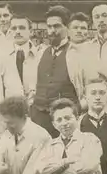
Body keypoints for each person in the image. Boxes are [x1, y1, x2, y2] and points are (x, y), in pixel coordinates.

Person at [31, 6, 78, 138]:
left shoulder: (75, 53)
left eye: (56, 26)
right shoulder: (41, 52)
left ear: (67, 27)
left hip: (64, 120)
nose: (52, 31)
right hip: (39, 117)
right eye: (49, 26)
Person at [79, 79, 107, 174]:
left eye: (102, 93)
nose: (98, 97)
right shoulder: (77, 126)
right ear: (85, 97)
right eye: (93, 93)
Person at [7, 15, 43, 107]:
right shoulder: (3, 56)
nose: (17, 31)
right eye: (14, 28)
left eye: (22, 28)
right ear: (10, 32)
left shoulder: (41, 56)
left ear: (30, 32)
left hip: (36, 108)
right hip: (9, 109)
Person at [66, 12, 92, 107]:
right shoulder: (63, 51)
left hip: (87, 105)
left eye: (83, 28)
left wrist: (83, 105)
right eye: (75, 27)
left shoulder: (94, 51)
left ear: (88, 31)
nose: (79, 31)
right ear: (68, 31)